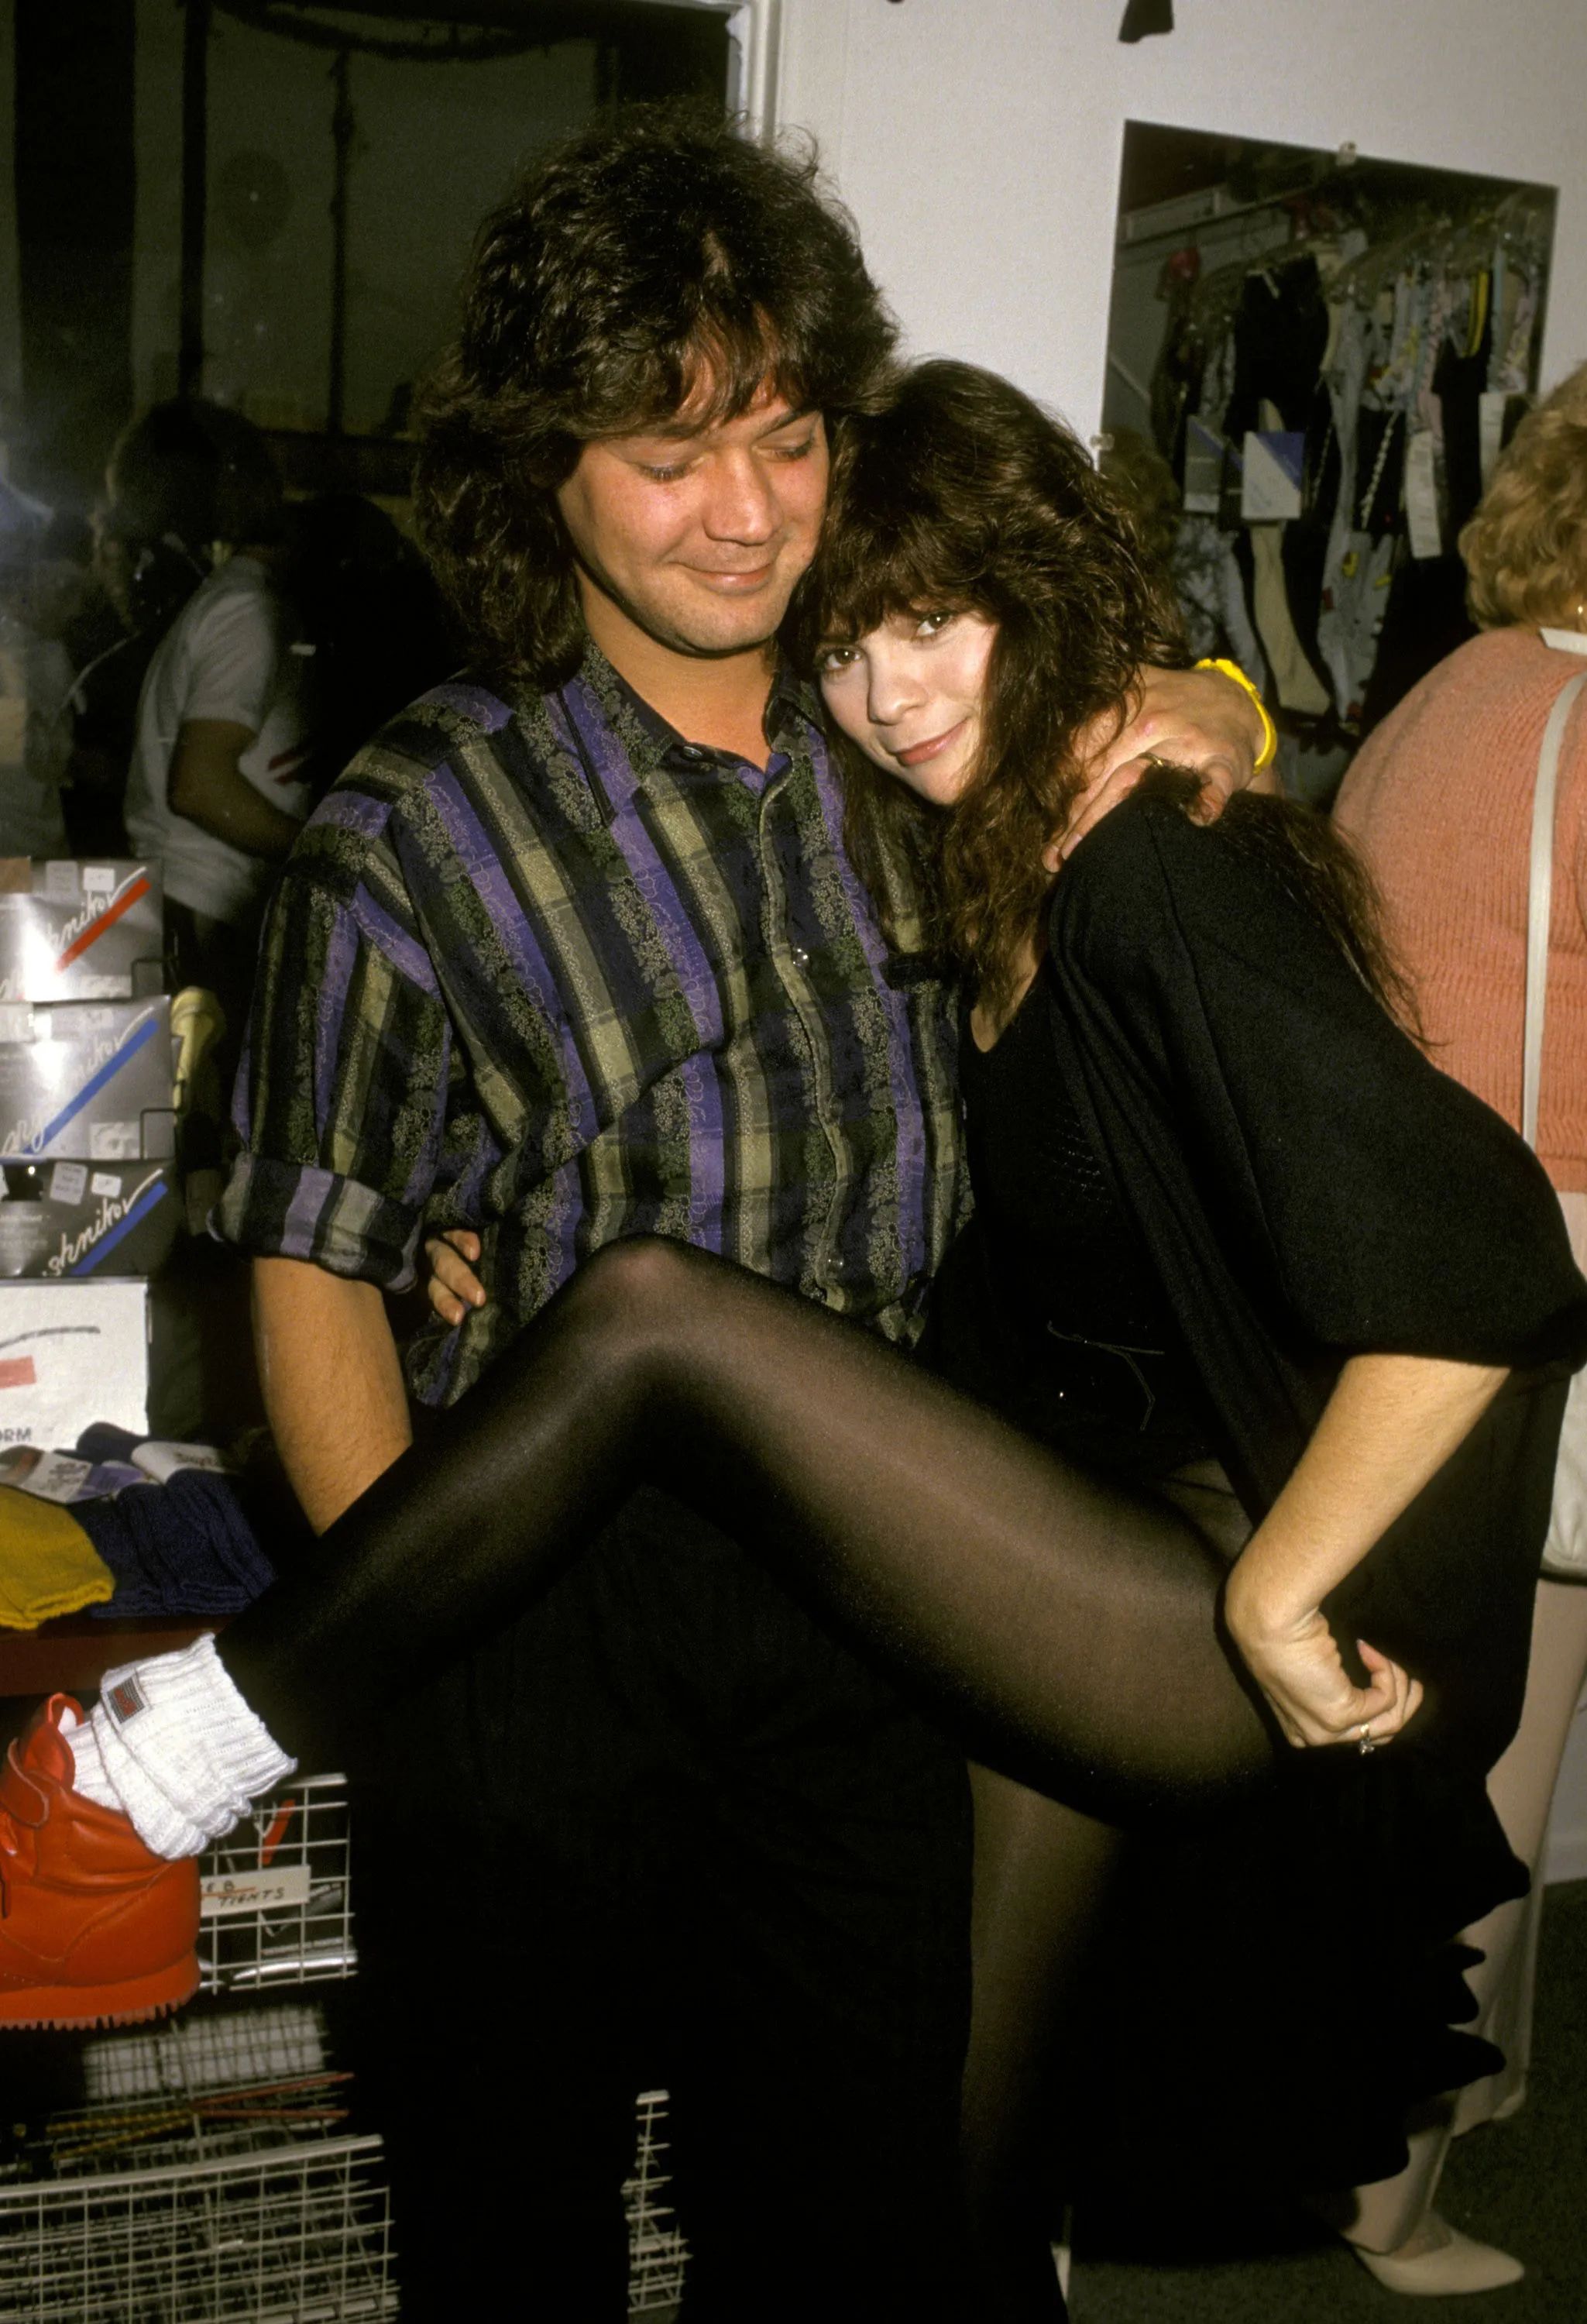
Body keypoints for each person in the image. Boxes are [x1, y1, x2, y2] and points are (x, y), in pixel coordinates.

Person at [5, 359, 1582, 2324]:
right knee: (937, 2170)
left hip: (1205, 1581)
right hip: (1020, 1543)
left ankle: (152, 1767)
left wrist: (1275, 1591)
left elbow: (1481, 1259)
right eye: (847, 644)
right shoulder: (952, 836)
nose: (888, 688)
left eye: (932, 620)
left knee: (652, 1317)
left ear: (1032, 591)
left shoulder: (1138, 864)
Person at [196, 110, 1257, 2324]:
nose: (749, 509)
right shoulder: (410, 832)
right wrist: (431, 1675)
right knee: (514, 2225)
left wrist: (1207, 699)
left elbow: (1147, 726)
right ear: (544, 476)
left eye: (783, 436)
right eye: (667, 454)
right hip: (541, 1580)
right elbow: (311, 1265)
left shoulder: (920, 738)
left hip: (873, 1572)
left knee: (850, 2207)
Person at [1328, 359, 1587, 2296]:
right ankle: (1387, 2189)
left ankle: (1447, 2097)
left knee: (1464, 1713)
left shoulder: (1448, 691)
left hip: (1405, 1267)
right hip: (1541, 1274)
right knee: (1497, 1746)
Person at [115, 400, 315, 1044]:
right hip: (203, 911)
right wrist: (320, 847)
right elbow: (199, 785)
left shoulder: (231, 600)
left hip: (189, 908)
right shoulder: (246, 613)